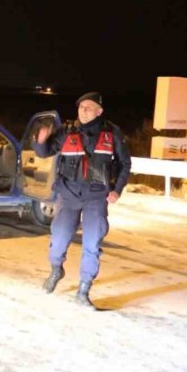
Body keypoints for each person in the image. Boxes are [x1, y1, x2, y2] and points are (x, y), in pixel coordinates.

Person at [34, 92, 132, 309]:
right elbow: (44, 152)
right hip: (69, 195)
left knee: (92, 244)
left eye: (89, 107)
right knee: (59, 240)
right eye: (81, 107)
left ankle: (83, 290)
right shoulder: (67, 131)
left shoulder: (112, 133)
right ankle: (56, 269)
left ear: (99, 111)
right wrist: (40, 141)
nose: (84, 110)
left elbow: (125, 164)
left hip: (96, 197)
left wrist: (117, 190)